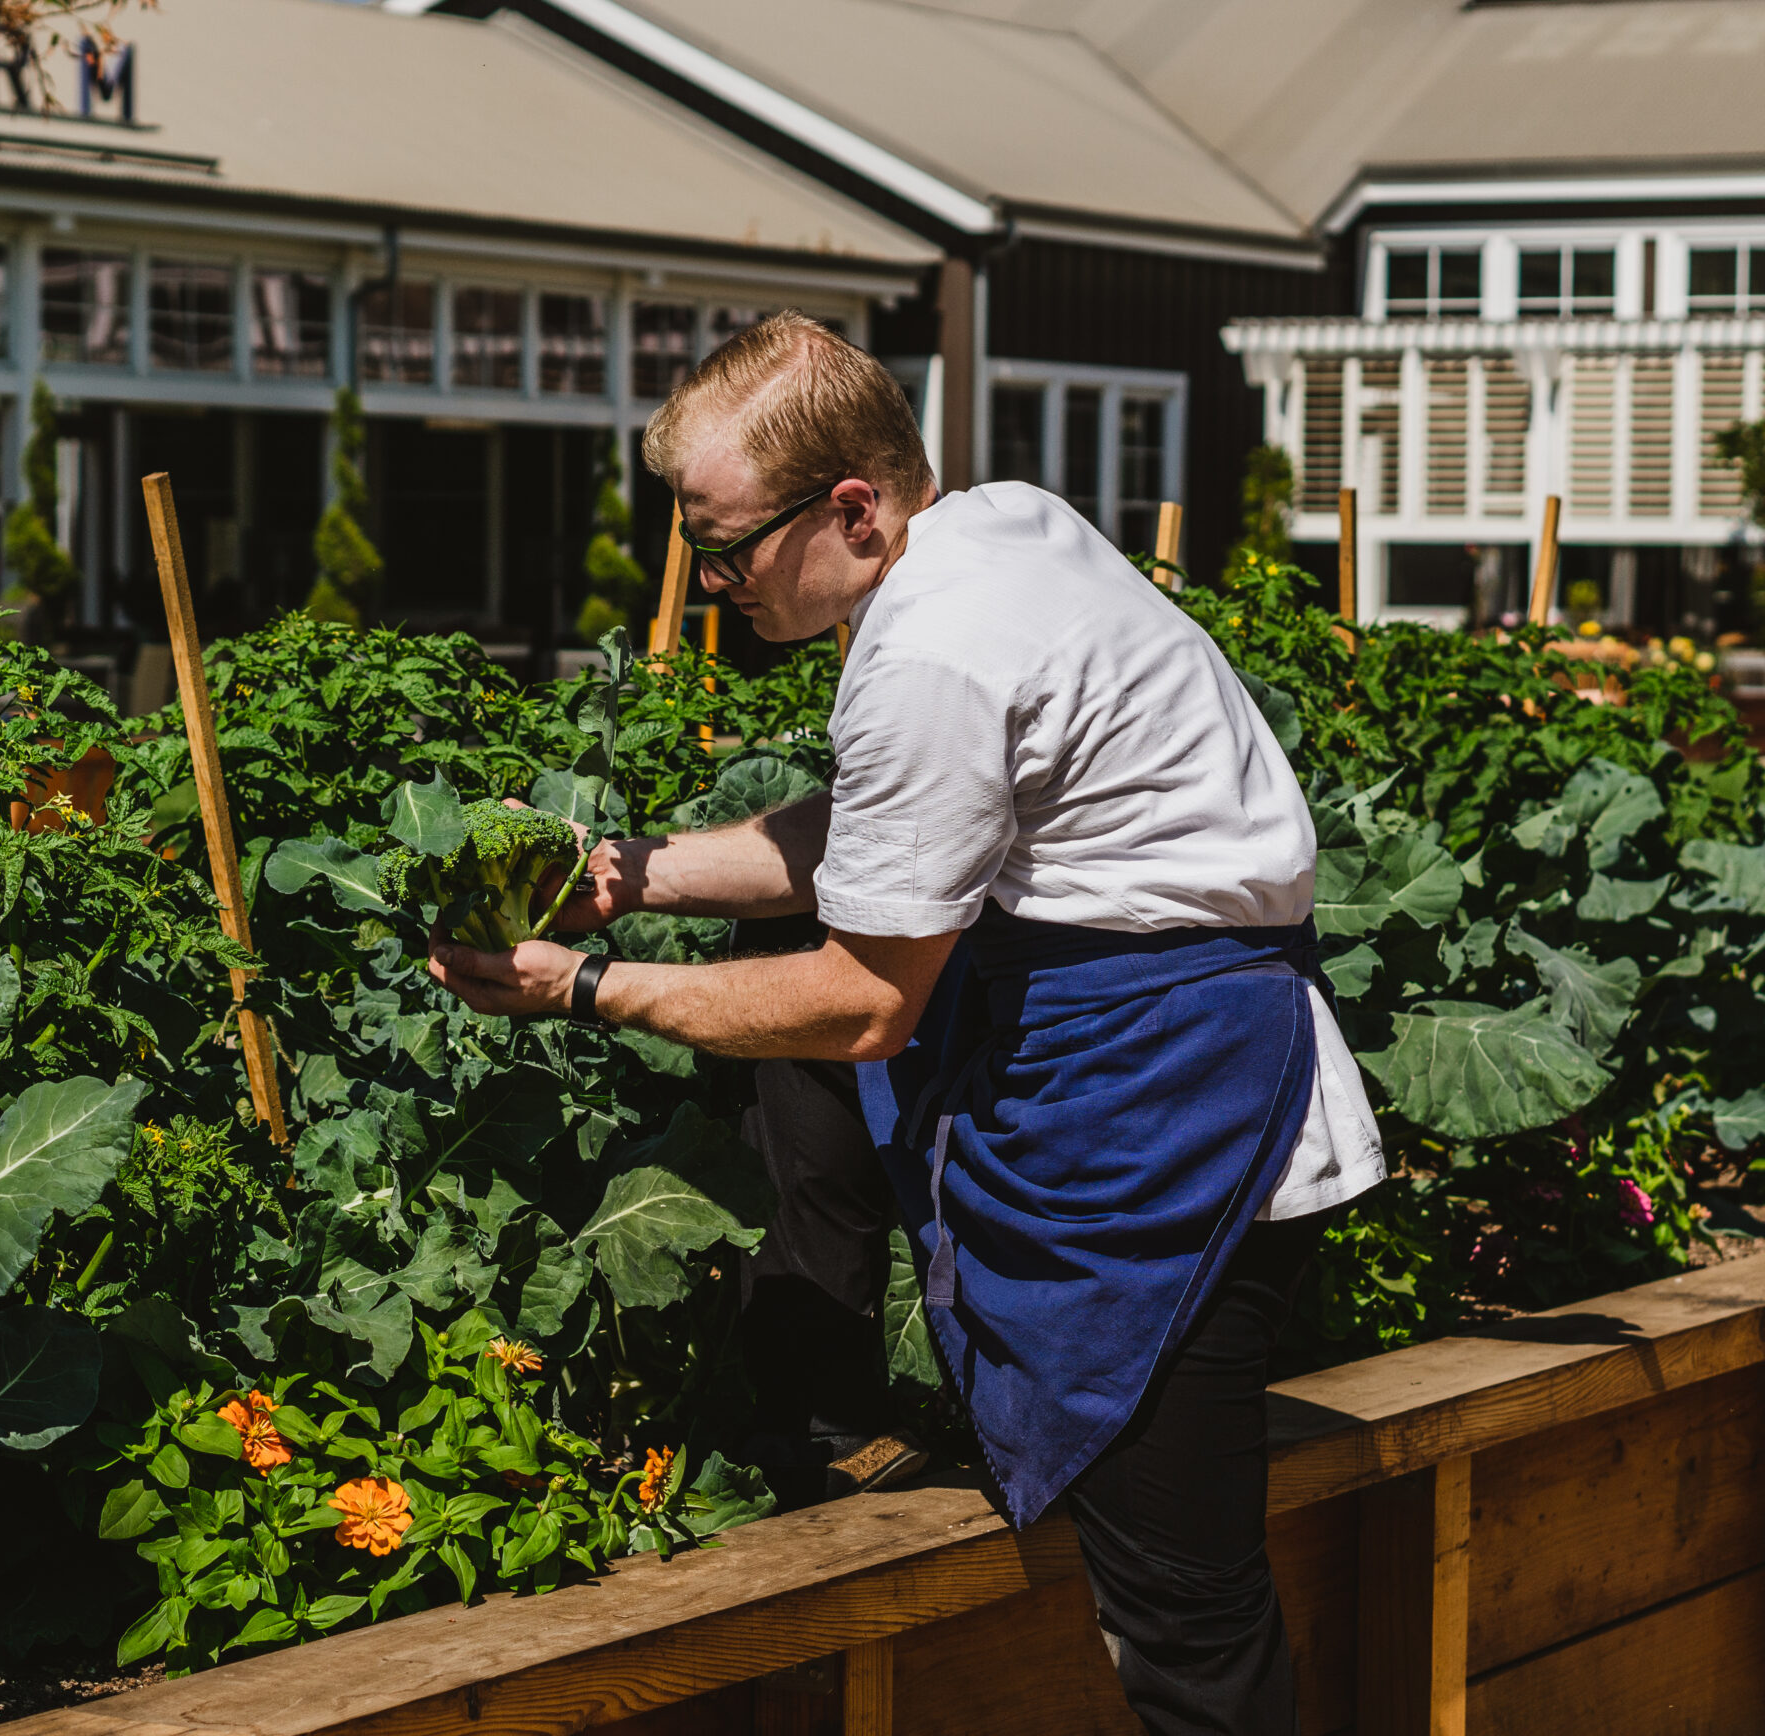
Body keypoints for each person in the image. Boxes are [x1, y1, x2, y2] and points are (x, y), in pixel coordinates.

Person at [427, 312, 1383, 1736]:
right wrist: (628, 880)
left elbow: (863, 1002)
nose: (710, 580)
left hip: (1171, 1128)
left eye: (727, 546)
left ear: (854, 510)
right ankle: (833, 1415)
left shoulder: (931, 651)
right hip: (1164, 1070)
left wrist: (583, 986)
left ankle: (836, 1410)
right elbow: (884, 834)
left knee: (1180, 1624)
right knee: (1169, 1598)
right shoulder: (1000, 531)